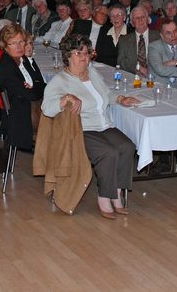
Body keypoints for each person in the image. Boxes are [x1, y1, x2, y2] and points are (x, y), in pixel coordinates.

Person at [41, 34, 140, 219]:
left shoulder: (92, 73)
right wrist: (67, 98)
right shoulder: (60, 80)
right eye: (78, 53)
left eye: (86, 53)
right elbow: (47, 108)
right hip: (82, 130)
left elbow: (106, 94)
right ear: (67, 56)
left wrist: (120, 98)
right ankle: (104, 196)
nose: (83, 57)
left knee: (127, 147)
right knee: (108, 152)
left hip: (104, 126)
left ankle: (117, 193)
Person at [0, 23, 46, 150]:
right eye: (13, 43)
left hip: (33, 107)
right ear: (5, 46)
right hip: (21, 116)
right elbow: (32, 94)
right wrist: (35, 88)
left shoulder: (24, 59)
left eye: (21, 42)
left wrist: (34, 87)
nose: (19, 46)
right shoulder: (6, 67)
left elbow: (40, 83)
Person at [116, 6, 160, 77]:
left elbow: (164, 58)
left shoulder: (159, 37)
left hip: (156, 77)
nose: (140, 20)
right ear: (132, 23)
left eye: (143, 17)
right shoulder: (124, 40)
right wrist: (138, 68)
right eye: (137, 18)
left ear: (148, 20)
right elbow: (121, 61)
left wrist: (150, 72)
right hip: (132, 77)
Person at [148, 19, 177, 83]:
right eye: (168, 33)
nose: (173, 35)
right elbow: (161, 70)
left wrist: (175, 63)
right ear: (162, 36)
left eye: (175, 31)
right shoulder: (153, 47)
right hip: (159, 85)